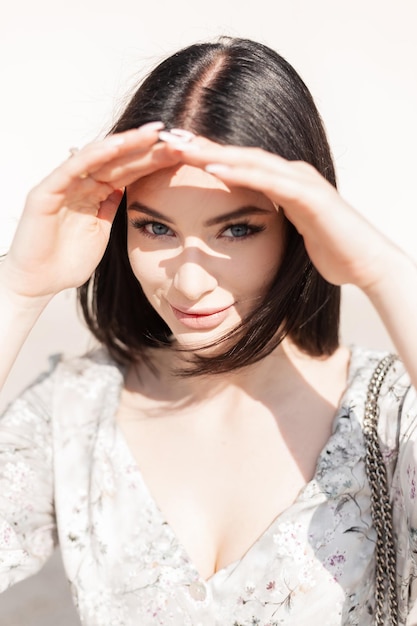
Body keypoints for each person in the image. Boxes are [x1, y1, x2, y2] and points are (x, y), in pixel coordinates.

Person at [0, 36, 417, 626]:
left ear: (298, 228)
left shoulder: (391, 412)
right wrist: (17, 287)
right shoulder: (74, 412)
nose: (190, 282)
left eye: (237, 230)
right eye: (155, 228)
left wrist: (382, 270)